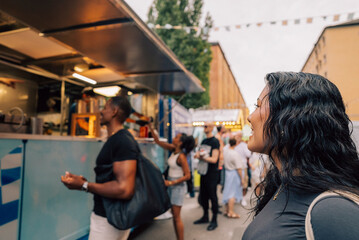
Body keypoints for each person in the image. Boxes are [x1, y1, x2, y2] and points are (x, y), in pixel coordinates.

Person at [242, 72, 359, 239]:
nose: (249, 117)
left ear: (289, 119)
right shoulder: (281, 184)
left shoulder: (332, 210)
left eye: (259, 106)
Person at [61, 96, 138, 240]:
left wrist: (85, 185)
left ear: (114, 111)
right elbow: (112, 178)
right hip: (109, 215)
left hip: (109, 219)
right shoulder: (116, 139)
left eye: (105, 108)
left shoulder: (122, 141)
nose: (101, 112)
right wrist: (83, 181)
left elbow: (124, 189)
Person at [148, 124, 195, 240]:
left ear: (180, 143)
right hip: (171, 185)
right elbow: (157, 141)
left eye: (176, 137)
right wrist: (150, 126)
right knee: (175, 216)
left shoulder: (181, 157)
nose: (174, 138)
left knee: (177, 217)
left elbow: (188, 175)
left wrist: (171, 183)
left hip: (177, 186)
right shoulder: (173, 150)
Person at [193, 122, 220, 231]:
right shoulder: (204, 141)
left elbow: (214, 159)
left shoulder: (215, 141)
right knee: (203, 196)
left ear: (212, 127)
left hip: (212, 174)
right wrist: (198, 155)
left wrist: (201, 157)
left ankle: (214, 220)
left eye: (206, 126)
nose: (204, 127)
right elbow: (199, 153)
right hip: (203, 173)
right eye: (203, 126)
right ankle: (205, 216)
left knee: (212, 196)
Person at [222, 138, 245, 218]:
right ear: (236, 144)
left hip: (227, 173)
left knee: (227, 191)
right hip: (234, 174)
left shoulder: (226, 151)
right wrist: (242, 179)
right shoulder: (235, 153)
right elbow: (239, 168)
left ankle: (227, 210)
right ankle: (231, 212)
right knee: (232, 193)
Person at [234, 131, 252, 206]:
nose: (238, 137)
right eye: (237, 136)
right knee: (235, 183)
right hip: (234, 167)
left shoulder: (244, 145)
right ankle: (236, 197)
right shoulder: (232, 145)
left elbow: (248, 154)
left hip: (243, 166)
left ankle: (243, 198)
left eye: (239, 136)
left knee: (244, 183)